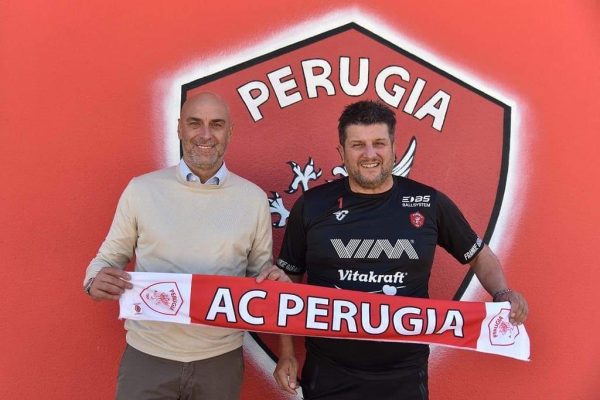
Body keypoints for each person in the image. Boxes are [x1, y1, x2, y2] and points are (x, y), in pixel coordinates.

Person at [257, 100, 528, 400]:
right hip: (329, 372)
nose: (369, 154)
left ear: (394, 148)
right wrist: (286, 353)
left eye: (379, 143)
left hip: (404, 374)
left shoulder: (428, 202)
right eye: (357, 145)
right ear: (341, 152)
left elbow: (479, 255)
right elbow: (288, 287)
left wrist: (502, 292)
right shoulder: (312, 205)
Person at [83, 92, 273, 400]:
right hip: (148, 356)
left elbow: (260, 274)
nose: (206, 134)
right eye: (195, 123)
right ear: (179, 128)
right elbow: (107, 259)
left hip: (220, 361)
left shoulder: (254, 199)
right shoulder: (142, 190)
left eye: (217, 124)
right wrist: (94, 281)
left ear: (230, 132)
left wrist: (272, 279)